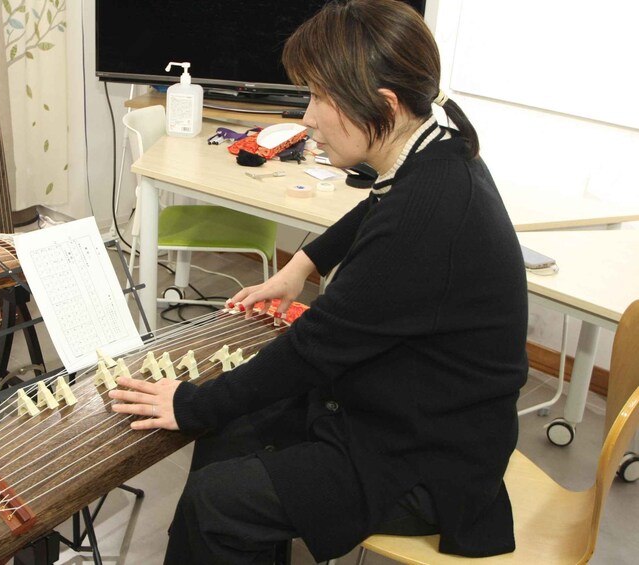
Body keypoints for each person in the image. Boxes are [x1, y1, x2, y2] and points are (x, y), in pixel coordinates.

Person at [109, 0, 529, 563]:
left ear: (382, 104)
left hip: (429, 456)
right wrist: (300, 268)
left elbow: (313, 349)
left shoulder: (429, 217)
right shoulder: (438, 151)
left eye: (319, 98)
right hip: (408, 403)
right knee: (231, 432)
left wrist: (193, 403)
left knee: (219, 498)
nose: (306, 117)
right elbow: (375, 213)